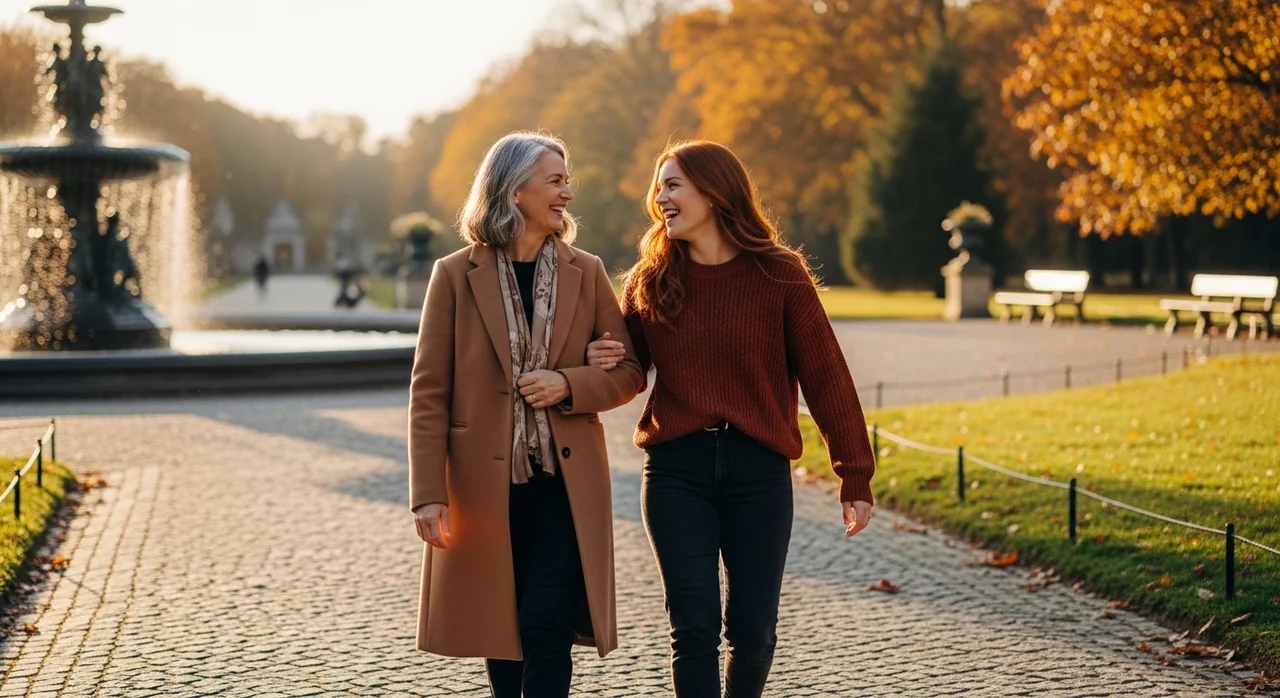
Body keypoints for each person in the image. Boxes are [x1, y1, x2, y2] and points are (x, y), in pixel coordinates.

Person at [586, 141, 877, 697]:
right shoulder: (651, 280)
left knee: (754, 630)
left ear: (714, 192)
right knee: (692, 629)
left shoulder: (780, 276)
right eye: (659, 186)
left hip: (759, 474)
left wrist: (854, 472)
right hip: (676, 472)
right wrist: (600, 361)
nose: (659, 198)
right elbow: (627, 371)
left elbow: (827, 377)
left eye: (672, 185)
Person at [408, 132, 643, 698]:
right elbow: (429, 391)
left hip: (565, 484)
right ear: (514, 191)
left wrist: (568, 382)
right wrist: (427, 492)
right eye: (555, 180)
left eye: (567, 180)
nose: (568, 192)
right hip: (482, 485)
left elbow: (629, 371)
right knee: (501, 630)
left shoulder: (586, 271)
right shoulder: (453, 275)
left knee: (545, 626)